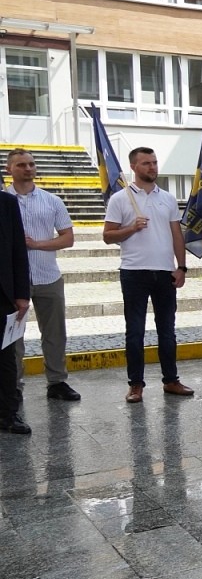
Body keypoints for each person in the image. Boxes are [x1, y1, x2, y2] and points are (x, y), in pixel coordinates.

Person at [103, 147, 196, 404]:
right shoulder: (120, 199)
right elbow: (108, 236)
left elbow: (177, 235)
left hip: (165, 272)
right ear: (134, 167)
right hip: (134, 273)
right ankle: (135, 385)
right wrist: (131, 228)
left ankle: (171, 380)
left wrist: (182, 266)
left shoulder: (166, 198)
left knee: (167, 330)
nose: (152, 167)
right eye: (146, 163)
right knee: (135, 332)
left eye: (154, 162)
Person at [5, 148, 80, 402]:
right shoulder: (4, 201)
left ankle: (57, 382)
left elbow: (68, 238)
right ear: (9, 170)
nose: (28, 169)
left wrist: (36, 244)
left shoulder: (52, 201)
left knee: (55, 333)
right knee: (12, 337)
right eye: (21, 165)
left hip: (48, 276)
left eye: (31, 164)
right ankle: (12, 385)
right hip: (13, 281)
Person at [0, 189, 31, 433]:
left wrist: (21, 295)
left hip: (2, 294)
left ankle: (8, 415)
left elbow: (19, 251)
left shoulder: (7, 203)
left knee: (5, 358)